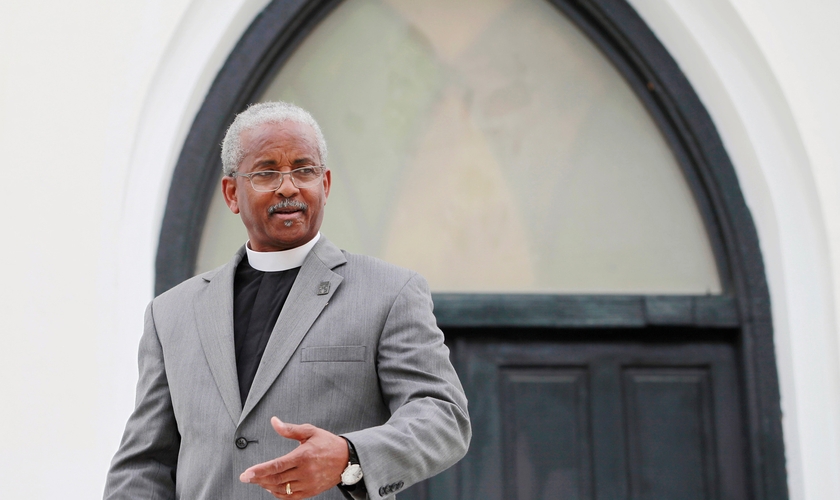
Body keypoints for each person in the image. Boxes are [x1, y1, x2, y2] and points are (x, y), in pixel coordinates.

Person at [104, 101, 471, 499]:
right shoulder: (171, 313)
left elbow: (443, 417)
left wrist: (351, 457)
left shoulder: (390, 292)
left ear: (325, 185)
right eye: (266, 172)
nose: (288, 186)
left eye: (304, 169)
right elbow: (145, 463)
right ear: (232, 193)